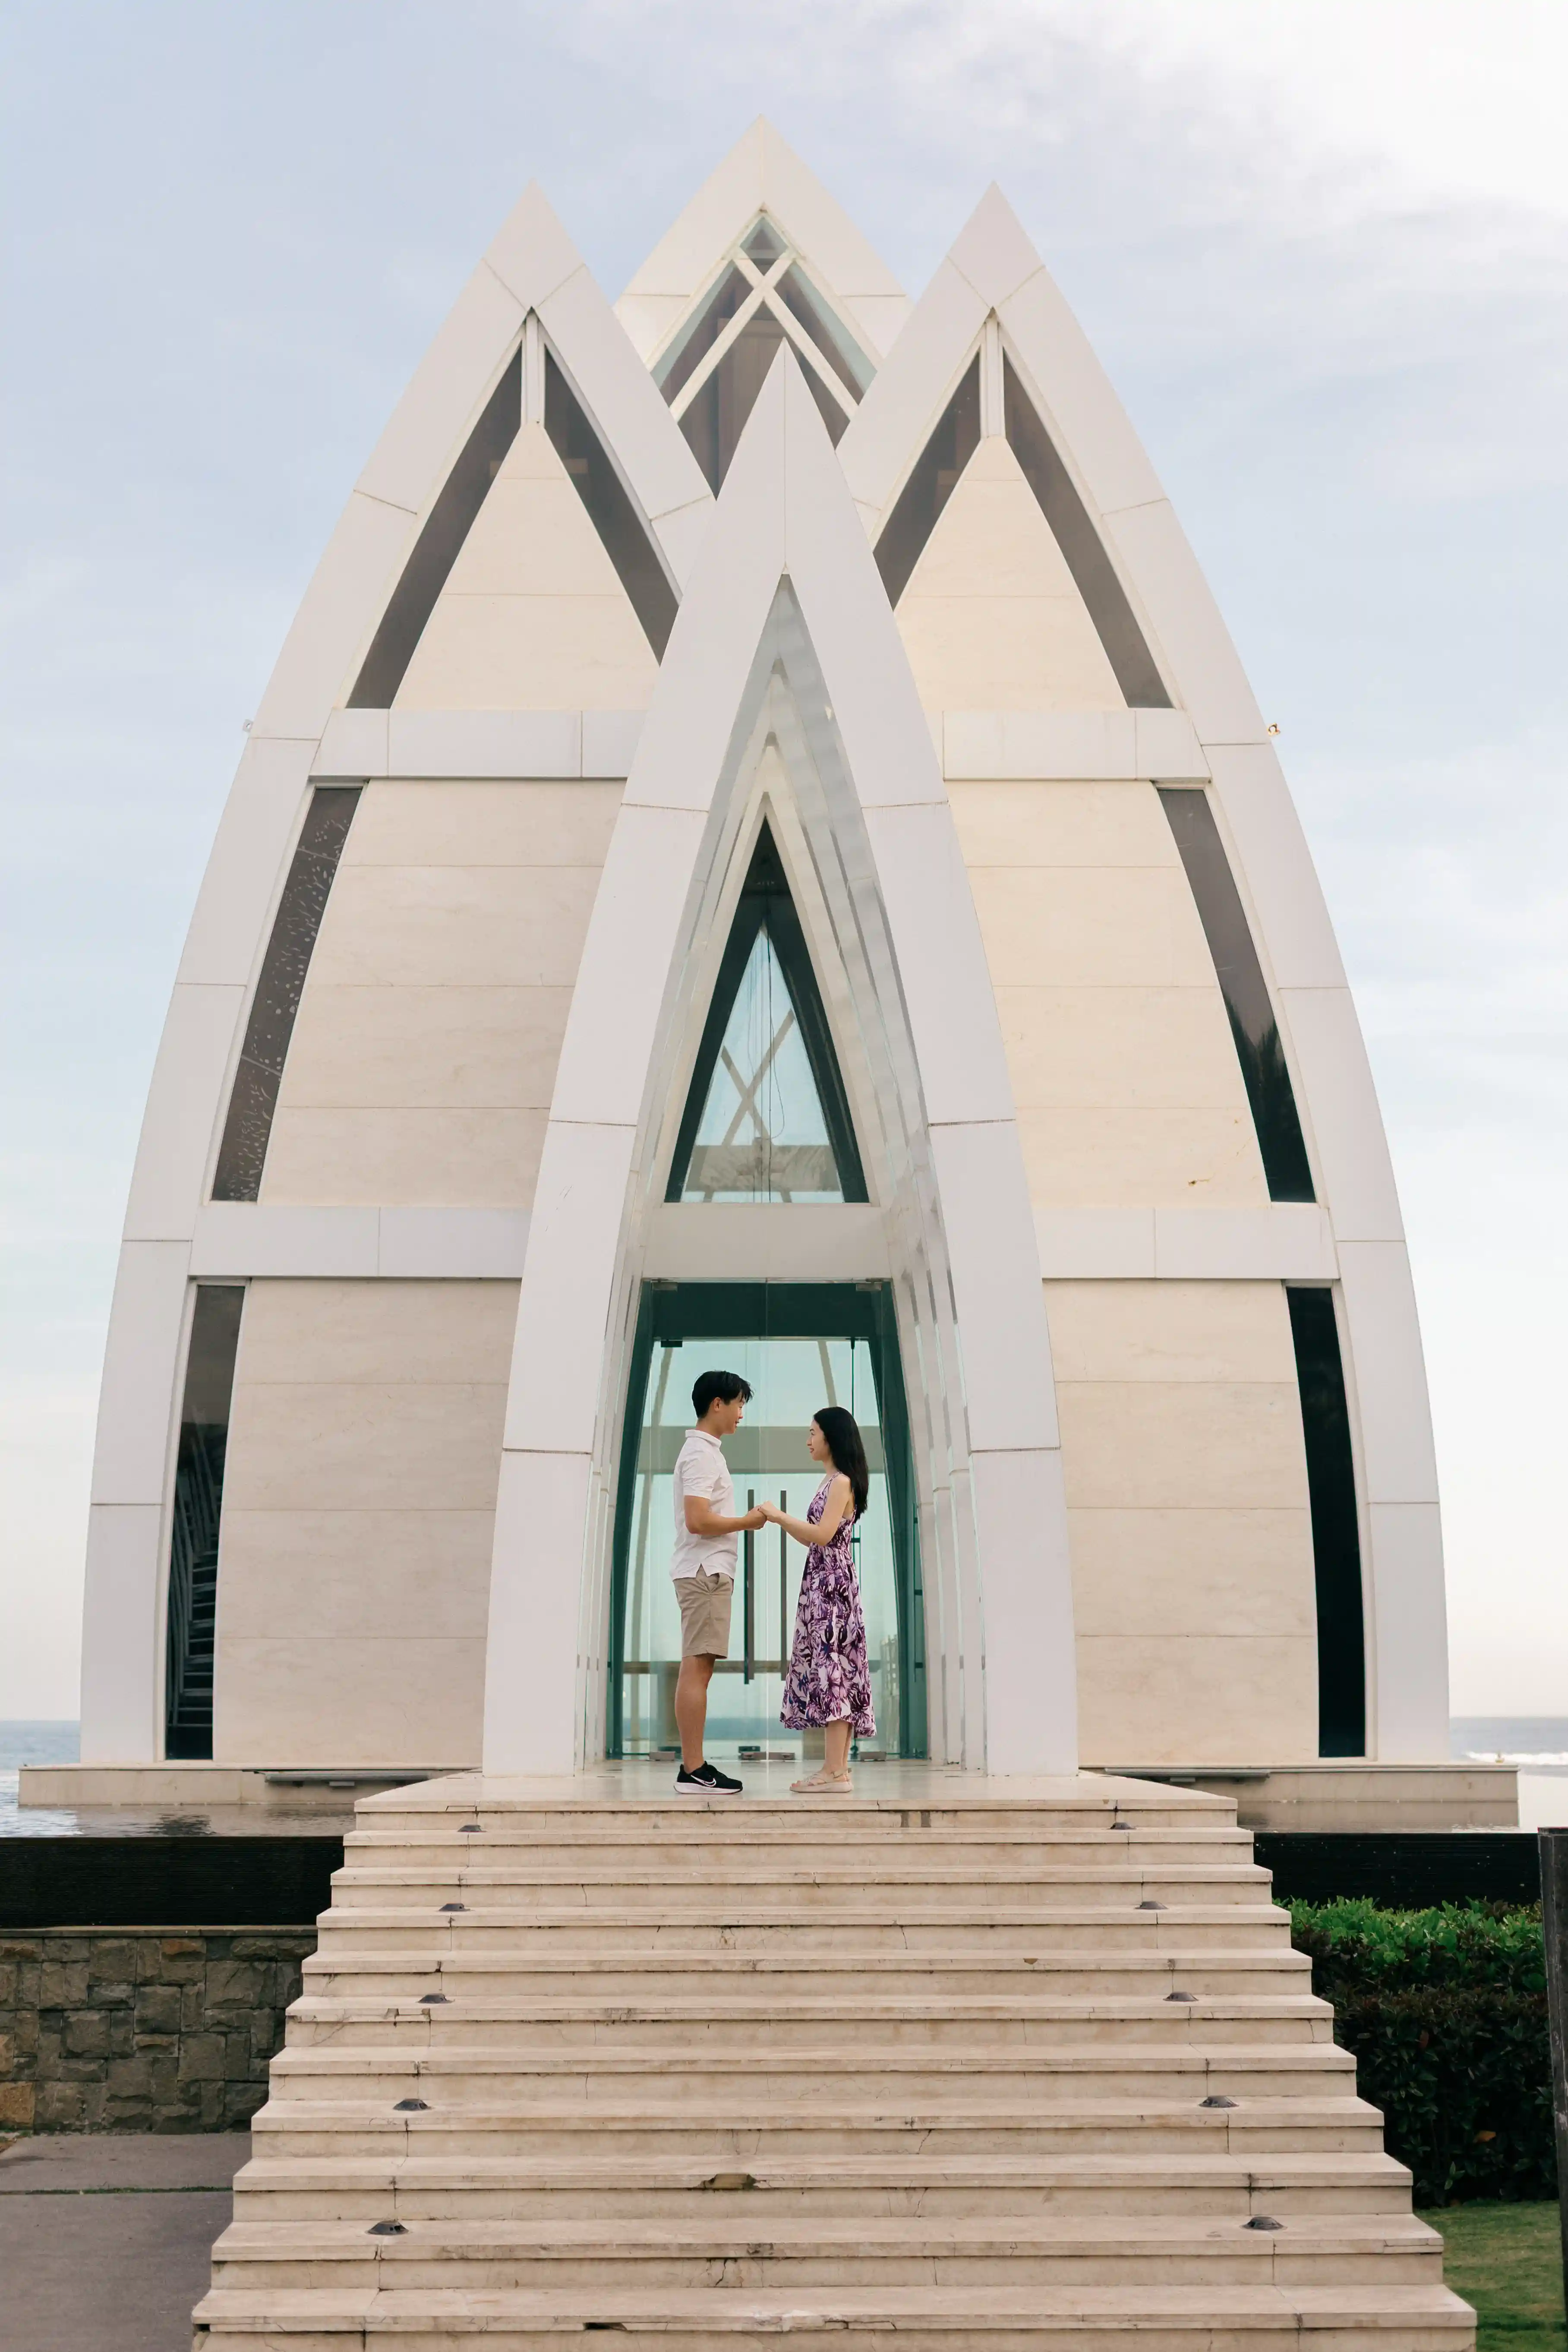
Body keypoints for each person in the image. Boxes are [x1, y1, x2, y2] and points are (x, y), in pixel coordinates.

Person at [763, 1405, 874, 1795]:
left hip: (831, 1587)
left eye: (813, 1432)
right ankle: (837, 1769)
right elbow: (813, 1535)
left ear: (831, 1436)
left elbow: (823, 1535)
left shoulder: (840, 1481)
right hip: (825, 1582)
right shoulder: (831, 1481)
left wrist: (778, 1516)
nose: (808, 1440)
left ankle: (832, 1770)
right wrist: (784, 1521)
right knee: (837, 1671)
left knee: (834, 1673)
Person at [669, 1369, 766, 1795]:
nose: (742, 1413)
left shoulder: (707, 1452)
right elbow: (697, 1519)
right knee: (697, 1668)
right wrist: (746, 1521)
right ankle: (693, 1769)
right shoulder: (701, 1455)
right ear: (718, 1404)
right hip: (703, 1572)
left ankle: (694, 1766)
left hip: (705, 1571)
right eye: (740, 1403)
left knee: (699, 1667)